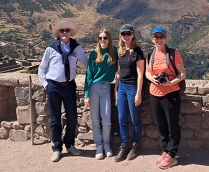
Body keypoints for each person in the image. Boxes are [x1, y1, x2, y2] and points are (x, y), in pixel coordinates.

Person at [38, 20, 88, 163]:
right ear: (58, 33)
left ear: (71, 32)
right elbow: (42, 69)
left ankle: (70, 144)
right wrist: (46, 85)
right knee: (55, 120)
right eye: (62, 31)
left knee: (72, 117)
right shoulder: (51, 48)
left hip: (69, 86)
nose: (64, 33)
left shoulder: (76, 48)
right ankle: (57, 148)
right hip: (53, 86)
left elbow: (87, 63)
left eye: (67, 30)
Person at [145, 27, 186, 170]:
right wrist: (153, 79)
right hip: (154, 94)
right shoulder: (150, 54)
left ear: (165, 38)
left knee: (172, 125)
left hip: (171, 94)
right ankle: (165, 151)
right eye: (156, 37)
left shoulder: (173, 53)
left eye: (161, 36)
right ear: (152, 39)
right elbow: (147, 73)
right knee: (161, 125)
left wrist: (170, 83)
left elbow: (182, 74)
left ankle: (172, 155)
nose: (159, 39)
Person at [84, 29, 117, 160]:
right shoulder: (93, 54)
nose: (102, 40)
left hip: (106, 87)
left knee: (107, 120)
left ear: (109, 39)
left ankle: (106, 145)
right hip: (94, 87)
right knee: (96, 119)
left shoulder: (113, 52)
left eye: (105, 38)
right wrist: (86, 94)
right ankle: (99, 146)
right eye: (100, 38)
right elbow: (88, 75)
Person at [114, 24, 145, 162]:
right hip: (122, 88)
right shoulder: (120, 51)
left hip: (132, 87)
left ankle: (136, 144)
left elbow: (140, 74)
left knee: (135, 119)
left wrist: (138, 93)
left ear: (133, 35)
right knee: (121, 119)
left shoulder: (138, 51)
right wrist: (116, 90)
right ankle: (125, 144)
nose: (126, 36)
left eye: (128, 33)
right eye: (123, 34)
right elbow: (119, 73)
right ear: (120, 36)